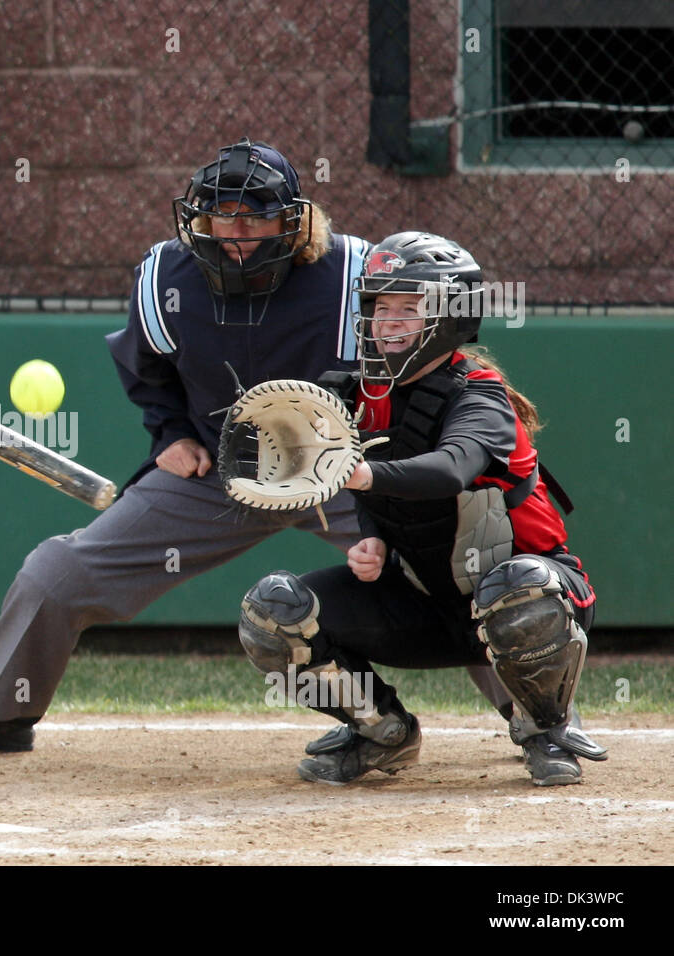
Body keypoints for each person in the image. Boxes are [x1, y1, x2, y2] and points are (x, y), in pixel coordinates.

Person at [0, 139, 377, 755]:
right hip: (222, 469)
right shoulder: (168, 275)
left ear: (293, 223)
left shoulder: (353, 273)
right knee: (58, 573)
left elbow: (407, 368)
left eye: (254, 216)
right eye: (221, 216)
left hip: (347, 472)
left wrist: (387, 467)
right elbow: (149, 369)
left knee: (453, 565)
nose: (235, 232)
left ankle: (534, 713)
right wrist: (172, 434)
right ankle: (4, 710)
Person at [235, 231, 608, 787]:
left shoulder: (479, 395)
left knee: (518, 586)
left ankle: (545, 726)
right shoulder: (356, 394)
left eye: (407, 308)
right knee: (273, 613)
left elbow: (450, 469)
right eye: (380, 306)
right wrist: (374, 538)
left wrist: (358, 472)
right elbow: (374, 493)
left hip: (528, 601)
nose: (387, 321)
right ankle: (381, 734)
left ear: (451, 316)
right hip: (425, 606)